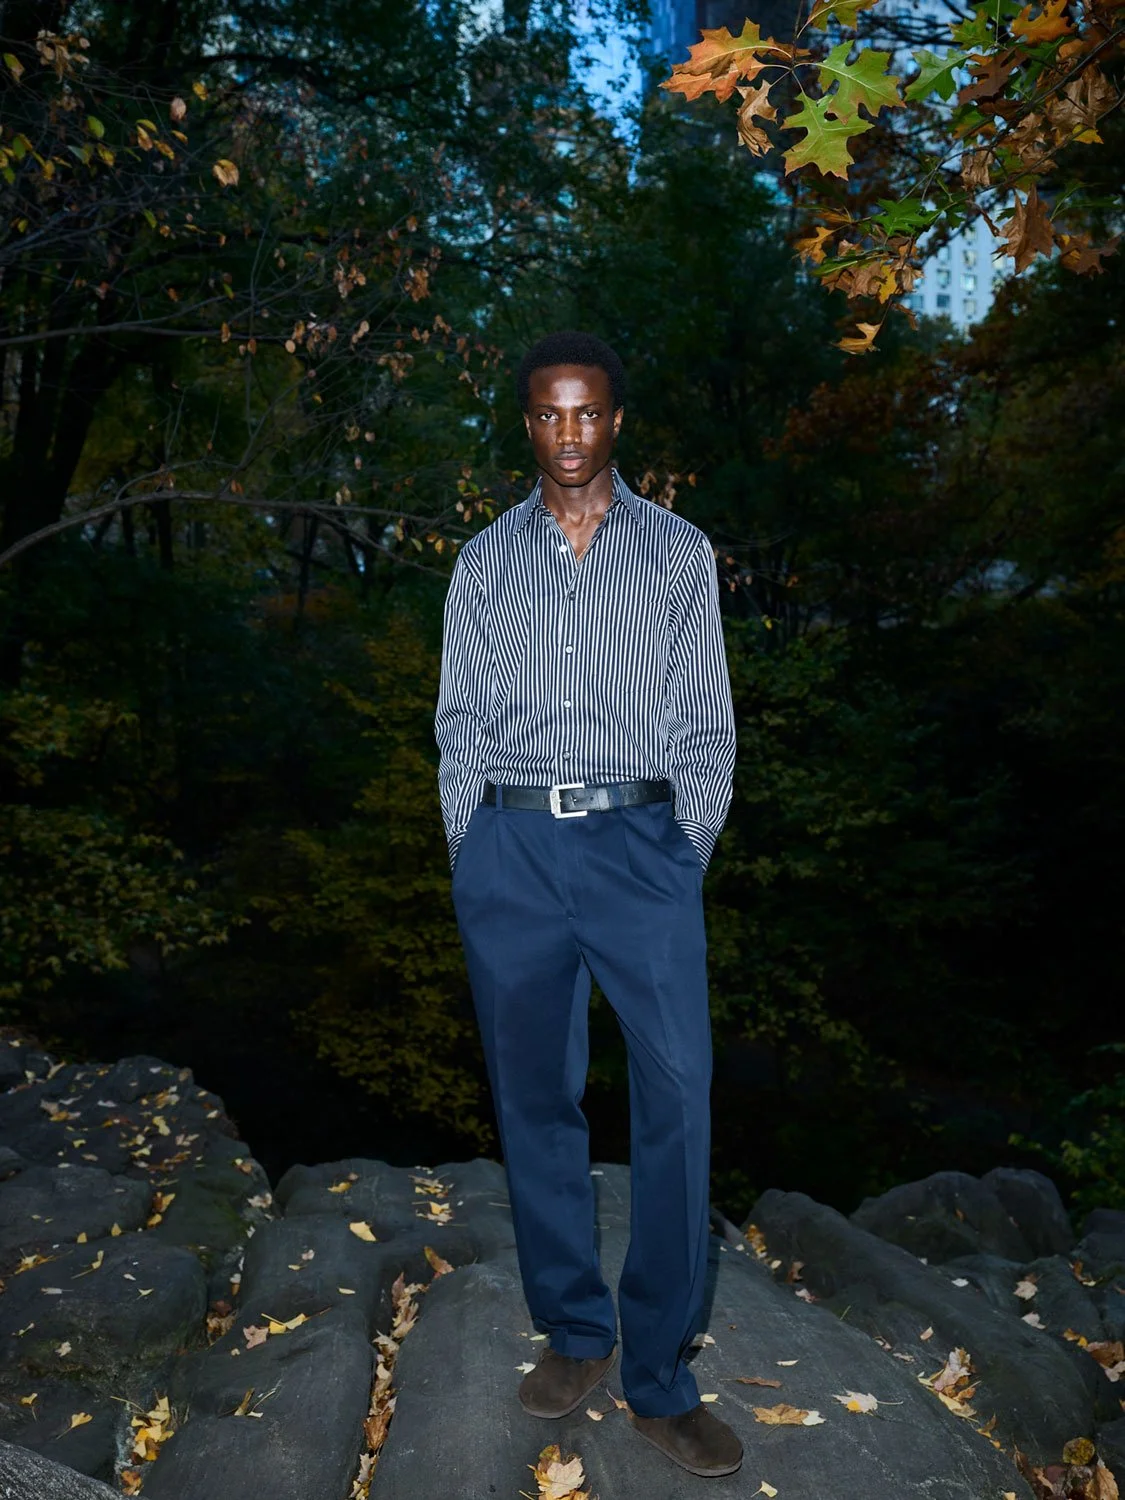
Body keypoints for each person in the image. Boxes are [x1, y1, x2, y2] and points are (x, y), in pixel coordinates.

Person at [434, 330, 740, 1479]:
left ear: (618, 420)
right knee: (536, 1103)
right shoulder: (483, 561)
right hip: (511, 848)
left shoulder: (675, 552)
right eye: (550, 414)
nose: (571, 433)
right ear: (526, 423)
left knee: (678, 1098)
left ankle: (661, 1375)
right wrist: (475, 849)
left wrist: (677, 854)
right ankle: (576, 1331)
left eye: (590, 413)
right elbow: (457, 722)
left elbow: (706, 721)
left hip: (637, 846)